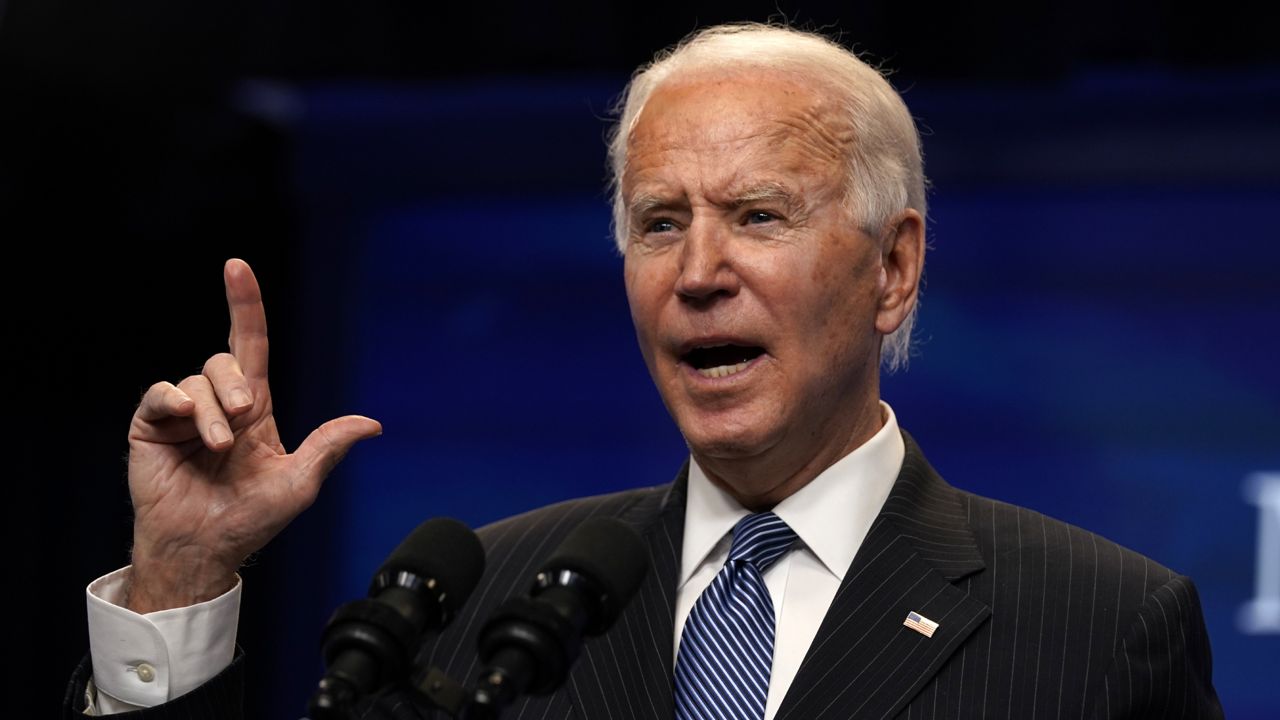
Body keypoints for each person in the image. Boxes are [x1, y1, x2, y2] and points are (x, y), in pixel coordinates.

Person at [65, 22, 1223, 719]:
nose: (699, 271)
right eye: (659, 222)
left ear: (893, 267)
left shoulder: (1096, 625)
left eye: (758, 215)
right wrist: (181, 576)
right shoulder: (473, 609)